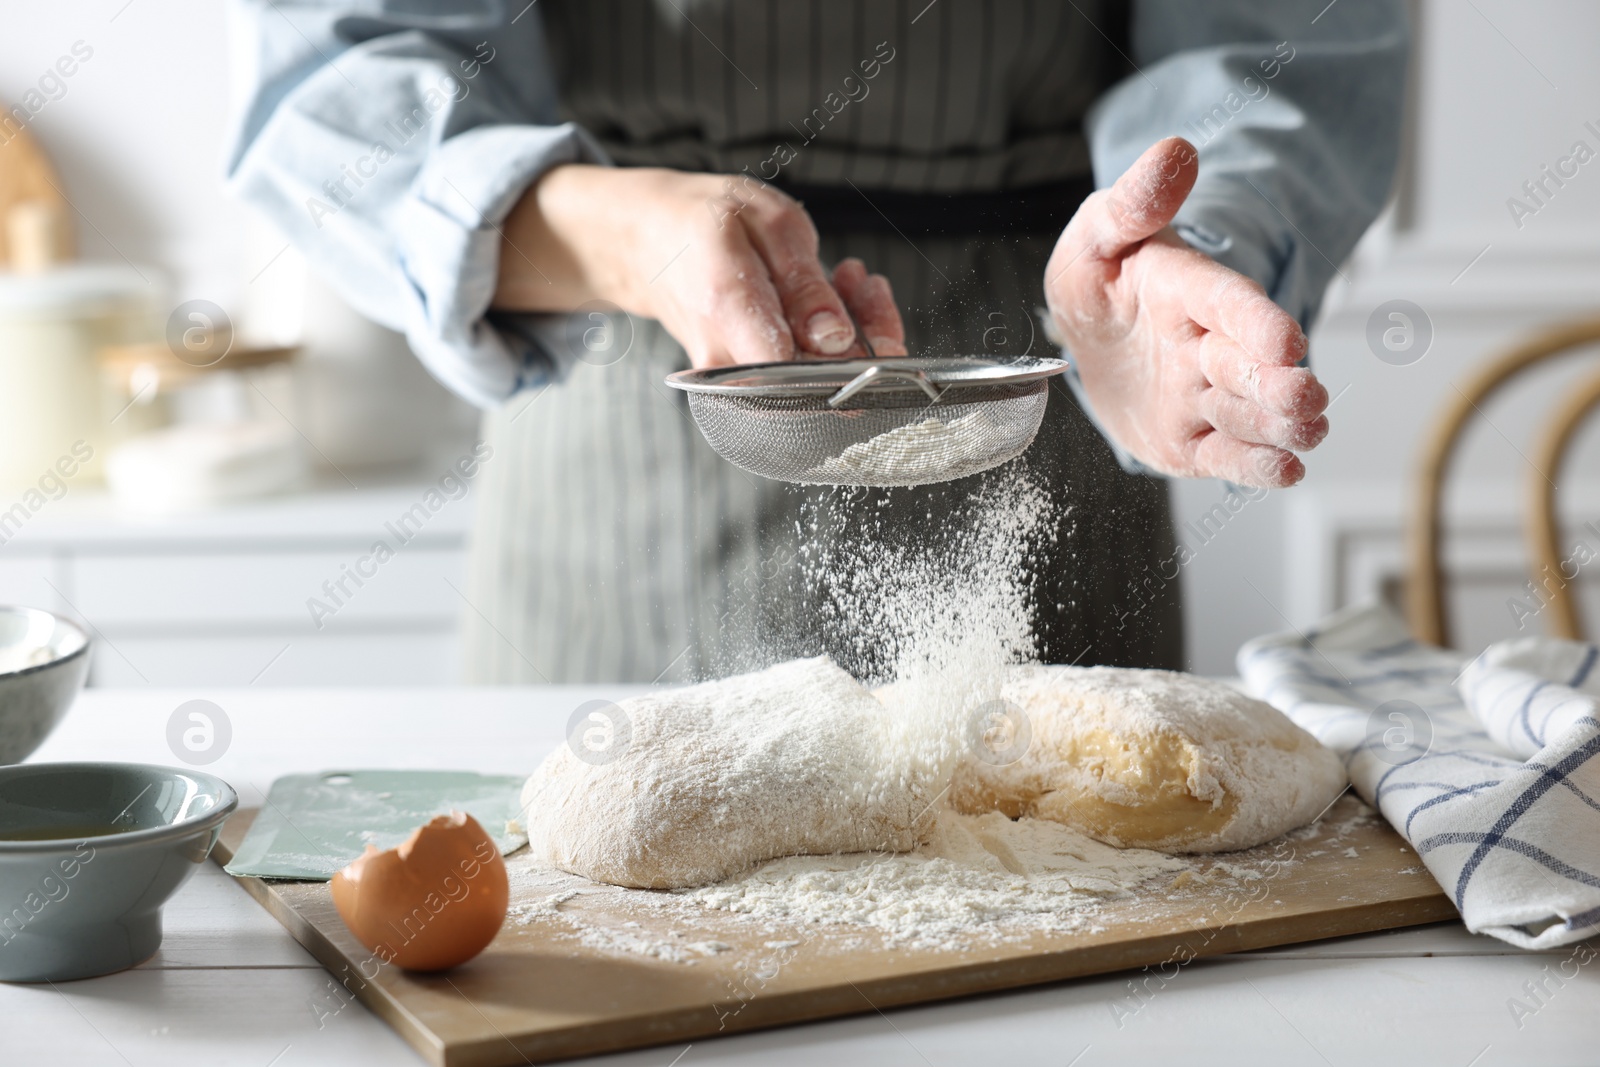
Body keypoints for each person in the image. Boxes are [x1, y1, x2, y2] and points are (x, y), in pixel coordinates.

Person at [225, 1, 1406, 684]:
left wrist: (1184, 237)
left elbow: (1277, 34)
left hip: (1048, 377)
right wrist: (616, 231)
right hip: (616, 426)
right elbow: (341, 76)